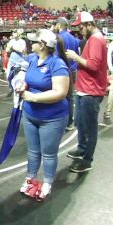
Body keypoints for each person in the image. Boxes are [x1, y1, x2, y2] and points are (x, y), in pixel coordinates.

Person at [17, 29, 70, 201]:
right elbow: (26, 79)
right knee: (33, 152)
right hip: (30, 114)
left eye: (33, 41)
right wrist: (21, 85)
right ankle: (30, 179)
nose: (29, 43)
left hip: (52, 118)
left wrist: (33, 97)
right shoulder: (32, 59)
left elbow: (60, 92)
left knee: (48, 153)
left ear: (42, 45)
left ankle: (47, 183)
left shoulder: (58, 64)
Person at [65, 12, 108, 173]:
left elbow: (94, 65)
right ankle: (82, 149)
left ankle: (87, 160)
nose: (79, 30)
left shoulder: (96, 39)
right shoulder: (93, 38)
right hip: (84, 90)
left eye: (81, 27)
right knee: (81, 124)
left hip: (91, 91)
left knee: (90, 128)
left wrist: (76, 57)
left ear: (89, 24)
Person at [52, 17, 80, 131]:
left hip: (61, 71)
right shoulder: (73, 38)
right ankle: (69, 123)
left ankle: (60, 121)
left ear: (59, 25)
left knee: (58, 95)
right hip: (72, 69)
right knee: (70, 97)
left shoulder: (59, 38)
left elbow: (56, 56)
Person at [102, 39, 113, 125]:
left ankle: (107, 114)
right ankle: (107, 113)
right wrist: (111, 70)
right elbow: (109, 58)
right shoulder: (112, 45)